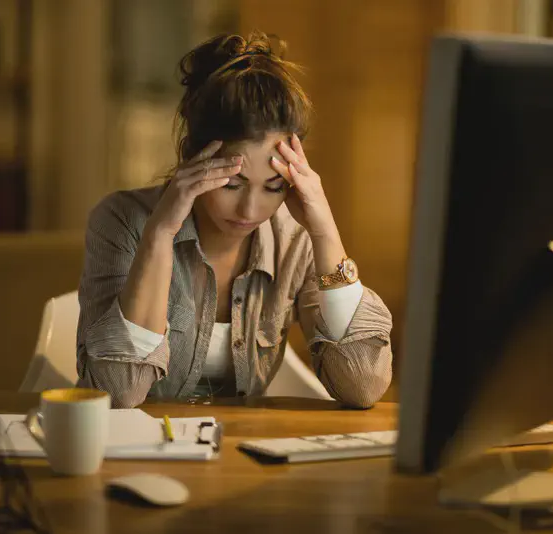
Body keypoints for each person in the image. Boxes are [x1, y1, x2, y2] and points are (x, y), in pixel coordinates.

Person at [76, 31, 393, 409]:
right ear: (191, 158)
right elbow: (117, 392)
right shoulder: (122, 221)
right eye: (231, 183)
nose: (249, 211)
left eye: (274, 188)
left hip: (240, 453)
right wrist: (159, 235)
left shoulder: (294, 239)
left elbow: (362, 386)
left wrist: (324, 230)